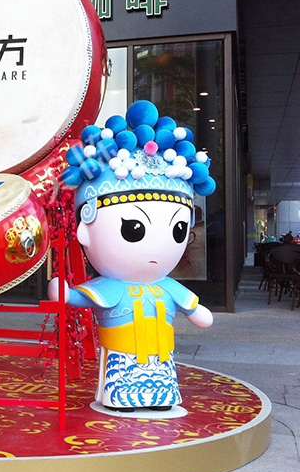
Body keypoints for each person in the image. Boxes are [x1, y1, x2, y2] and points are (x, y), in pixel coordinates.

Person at [50, 100, 215, 412]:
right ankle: (119, 397)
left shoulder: (166, 285)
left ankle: (162, 397)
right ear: (85, 230)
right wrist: (66, 294)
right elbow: (81, 298)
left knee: (162, 375)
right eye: (134, 228)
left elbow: (195, 310)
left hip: (161, 354)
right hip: (121, 356)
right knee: (121, 380)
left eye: (178, 229)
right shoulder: (111, 286)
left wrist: (197, 312)